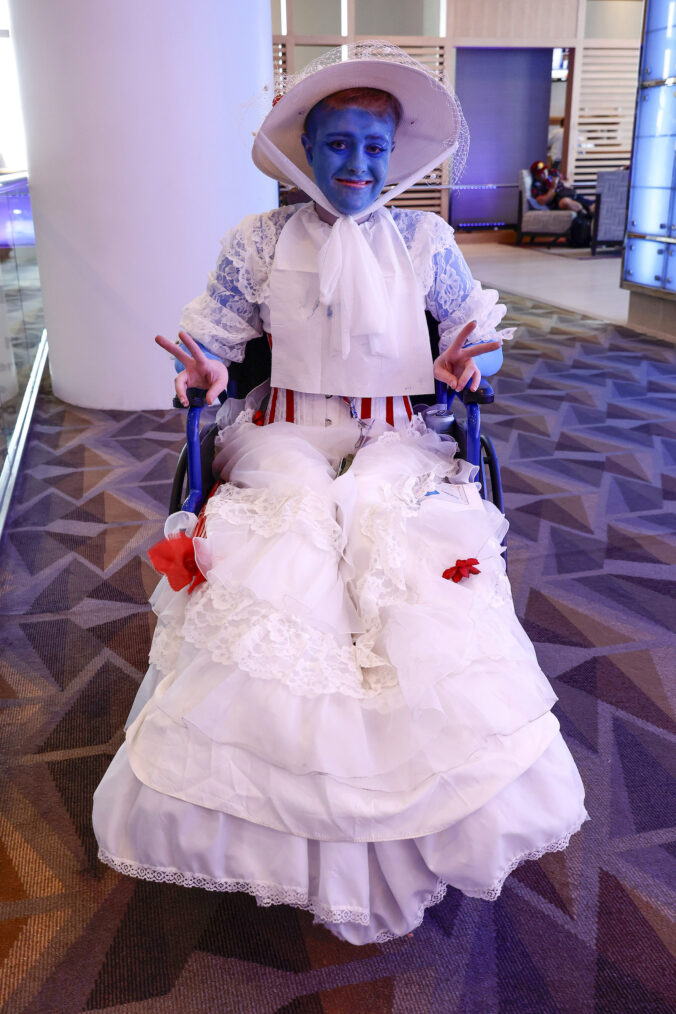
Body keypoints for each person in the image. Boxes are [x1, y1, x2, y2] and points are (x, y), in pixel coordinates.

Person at [93, 43, 587, 945]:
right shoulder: (257, 240)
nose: (357, 165)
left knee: (380, 523)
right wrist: (204, 373)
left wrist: (467, 364)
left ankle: (405, 790)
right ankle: (279, 798)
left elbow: (482, 339)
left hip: (399, 432)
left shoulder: (426, 241)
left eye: (373, 147)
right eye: (338, 145)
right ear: (305, 150)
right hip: (281, 428)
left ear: (393, 156)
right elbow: (213, 342)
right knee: (297, 526)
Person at [530, 159, 595, 216]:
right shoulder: (536, 186)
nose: (545, 173)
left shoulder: (552, 172)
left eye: (545, 170)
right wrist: (552, 188)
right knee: (565, 202)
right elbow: (542, 201)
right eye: (541, 173)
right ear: (536, 176)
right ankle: (582, 212)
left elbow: (564, 178)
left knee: (593, 207)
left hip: (569, 193)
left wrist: (563, 179)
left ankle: (590, 213)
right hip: (557, 201)